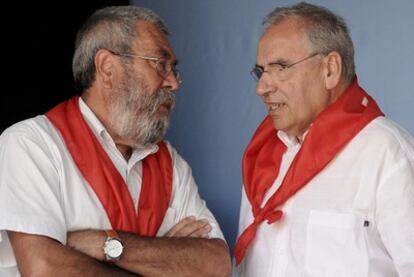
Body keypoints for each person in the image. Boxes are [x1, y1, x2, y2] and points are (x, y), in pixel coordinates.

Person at [0, 6, 231, 277]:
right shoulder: (32, 144)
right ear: (107, 67)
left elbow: (216, 264)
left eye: (173, 69)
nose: (173, 83)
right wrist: (164, 256)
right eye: (160, 63)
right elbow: (44, 269)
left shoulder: (171, 162)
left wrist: (105, 244)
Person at [233, 2, 414, 277]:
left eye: (280, 67)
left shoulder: (388, 154)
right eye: (261, 72)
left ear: (329, 69)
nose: (261, 88)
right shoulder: (260, 156)